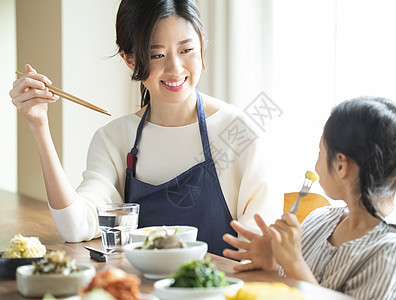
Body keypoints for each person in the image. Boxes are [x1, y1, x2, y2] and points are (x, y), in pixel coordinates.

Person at [9, 0, 282, 256]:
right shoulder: (114, 139)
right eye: (157, 55)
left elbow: (257, 248)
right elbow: (76, 226)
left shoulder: (237, 132)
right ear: (129, 59)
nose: (175, 68)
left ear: (201, 43)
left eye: (186, 50)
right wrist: (39, 125)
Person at [223, 96, 396, 299]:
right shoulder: (320, 219)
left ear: (341, 165)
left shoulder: (395, 254)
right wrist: (274, 267)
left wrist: (294, 263)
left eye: (320, 152)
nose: (316, 164)